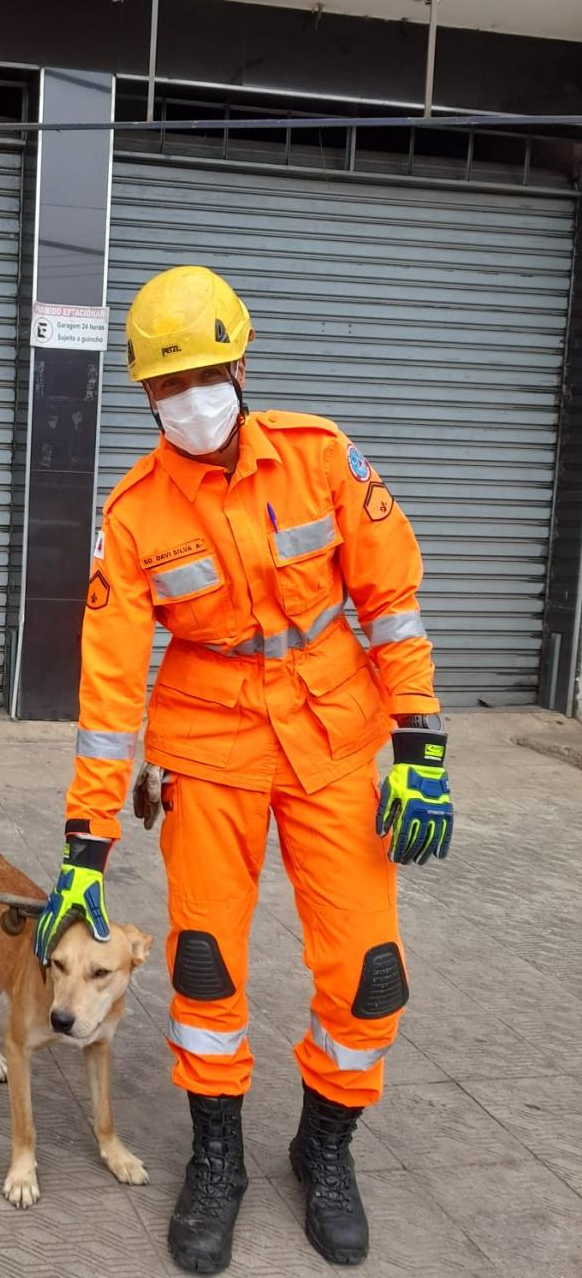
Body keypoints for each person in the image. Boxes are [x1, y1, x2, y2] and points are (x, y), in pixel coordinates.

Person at [33, 266, 454, 1273]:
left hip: (333, 739)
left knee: (368, 976)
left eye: (204, 373)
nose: (189, 399)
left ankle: (325, 1141)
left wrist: (421, 749)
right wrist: (86, 844)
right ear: (144, 396)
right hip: (206, 749)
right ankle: (213, 1153)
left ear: (238, 363)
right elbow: (106, 694)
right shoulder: (132, 514)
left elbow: (389, 605)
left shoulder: (322, 459)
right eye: (166, 386)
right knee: (201, 964)